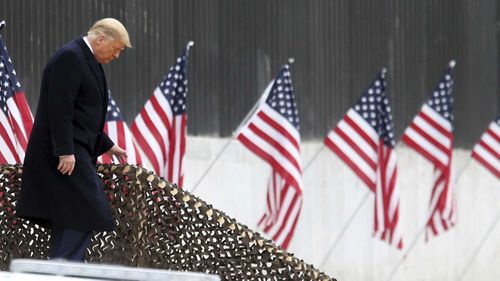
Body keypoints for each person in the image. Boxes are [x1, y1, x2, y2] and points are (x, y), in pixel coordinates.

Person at [17, 18, 132, 261]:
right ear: (101, 39)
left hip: (74, 151)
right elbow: (59, 109)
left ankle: (61, 269)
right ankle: (64, 270)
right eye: (117, 48)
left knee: (71, 217)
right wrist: (64, 151)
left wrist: (107, 145)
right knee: (86, 211)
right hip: (64, 157)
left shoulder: (88, 60)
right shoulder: (70, 58)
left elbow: (83, 116)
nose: (117, 55)